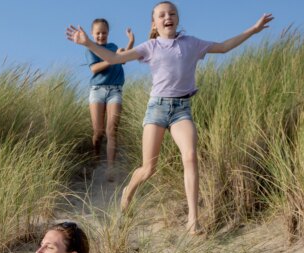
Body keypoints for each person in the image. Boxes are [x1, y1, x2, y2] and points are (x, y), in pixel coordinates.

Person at [67, 4, 273, 234]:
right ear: (154, 24)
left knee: (190, 156)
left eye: (172, 13)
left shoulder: (191, 43)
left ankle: (193, 219)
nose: (168, 17)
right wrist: (88, 43)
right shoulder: (150, 47)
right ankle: (128, 190)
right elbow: (115, 59)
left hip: (181, 109)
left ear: (177, 19)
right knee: (148, 168)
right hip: (157, 109)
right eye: (162, 15)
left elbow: (224, 47)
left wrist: (253, 30)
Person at [85, 18, 135, 181]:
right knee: (98, 132)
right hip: (97, 91)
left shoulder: (113, 47)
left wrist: (130, 42)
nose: (101, 36)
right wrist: (113, 58)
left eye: (104, 33)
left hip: (115, 90)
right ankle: (95, 158)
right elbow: (94, 69)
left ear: (108, 33)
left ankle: (110, 168)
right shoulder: (90, 49)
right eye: (98, 33)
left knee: (111, 130)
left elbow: (124, 59)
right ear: (92, 34)